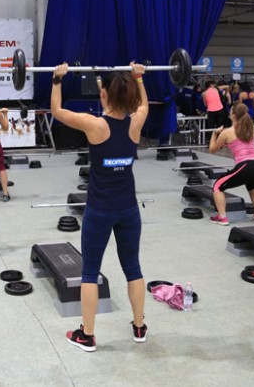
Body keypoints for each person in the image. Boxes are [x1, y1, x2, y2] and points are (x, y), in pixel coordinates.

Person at [51, 62, 150, 352]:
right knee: (133, 268)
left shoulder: (95, 125)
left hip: (100, 211)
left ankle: (87, 335)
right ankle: (139, 327)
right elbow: (143, 105)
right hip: (129, 210)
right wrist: (139, 78)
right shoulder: (135, 122)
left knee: (89, 273)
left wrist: (57, 80)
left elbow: (56, 111)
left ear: (104, 94)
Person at [208, 103, 254, 226]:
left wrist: (215, 134)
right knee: (252, 184)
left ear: (233, 115)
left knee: (218, 186)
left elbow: (212, 149)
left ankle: (222, 217)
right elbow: (239, 143)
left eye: (230, 111)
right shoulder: (252, 130)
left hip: (246, 166)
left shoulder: (227, 133)